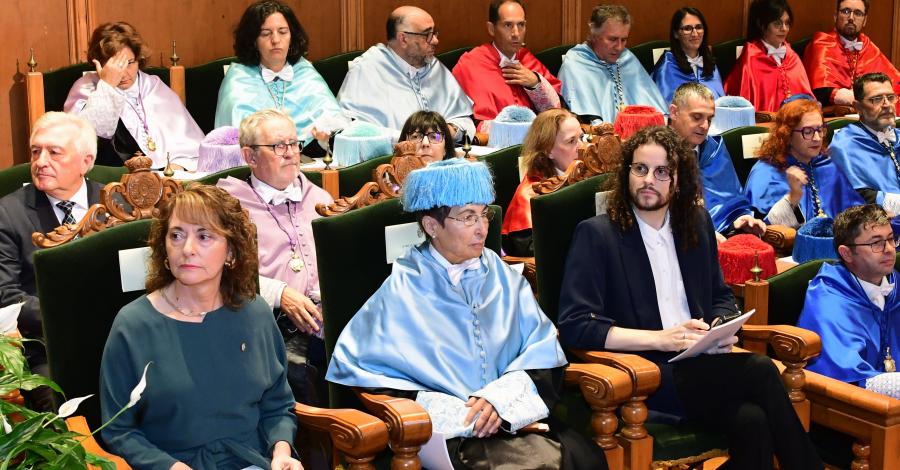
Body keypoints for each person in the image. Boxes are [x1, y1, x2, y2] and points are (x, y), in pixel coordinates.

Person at [558, 125, 823, 469]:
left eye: (662, 172)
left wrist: (718, 329)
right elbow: (576, 325)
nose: (648, 180)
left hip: (698, 362)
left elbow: (720, 295)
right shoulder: (597, 235)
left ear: (678, 180)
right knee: (759, 368)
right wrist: (662, 339)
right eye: (640, 169)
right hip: (642, 372)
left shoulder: (695, 223)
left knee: (753, 420)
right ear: (626, 174)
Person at [326, 158, 608, 469]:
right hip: (453, 433)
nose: (482, 228)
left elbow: (541, 352)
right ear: (432, 226)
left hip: (514, 416)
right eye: (468, 217)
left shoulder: (503, 276)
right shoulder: (404, 288)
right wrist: (469, 413)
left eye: (484, 214)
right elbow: (371, 374)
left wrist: (500, 402)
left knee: (585, 456)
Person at [99, 185, 302, 470]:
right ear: (164, 249)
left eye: (204, 236)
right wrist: (168, 466)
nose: (187, 249)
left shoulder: (255, 312)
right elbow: (118, 430)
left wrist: (281, 451)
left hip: (253, 461)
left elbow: (277, 404)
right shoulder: (133, 325)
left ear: (231, 251)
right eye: (176, 235)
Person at [216, 109, 333, 407]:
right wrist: (280, 293)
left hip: (330, 321)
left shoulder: (321, 198)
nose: (291, 153)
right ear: (250, 156)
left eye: (294, 143)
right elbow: (219, 272)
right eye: (279, 146)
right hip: (268, 327)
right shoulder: (228, 206)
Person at [0, 112, 99, 410]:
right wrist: (70, 317)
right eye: (35, 151)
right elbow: (6, 294)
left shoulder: (116, 201)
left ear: (86, 161)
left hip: (118, 334)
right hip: (47, 346)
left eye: (54, 152)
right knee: (61, 408)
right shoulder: (8, 213)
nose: (41, 161)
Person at [65, 22, 203, 170]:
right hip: (114, 174)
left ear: (138, 59)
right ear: (99, 63)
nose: (124, 74)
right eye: (115, 66)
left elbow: (188, 144)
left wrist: (179, 165)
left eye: (130, 63)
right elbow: (86, 141)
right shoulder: (85, 87)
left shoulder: (153, 85)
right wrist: (107, 86)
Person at [215, 0, 346, 154]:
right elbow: (237, 137)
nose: (276, 40)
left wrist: (326, 134)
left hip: (311, 158)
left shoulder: (305, 71)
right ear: (253, 41)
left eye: (283, 32)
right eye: (266, 33)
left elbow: (333, 119)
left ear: (292, 36)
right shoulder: (238, 78)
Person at [798, 204, 900, 398]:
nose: (889, 249)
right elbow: (848, 378)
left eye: (891, 239)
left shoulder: (895, 283)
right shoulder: (828, 298)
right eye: (876, 243)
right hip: (846, 404)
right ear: (846, 253)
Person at [337, 6, 475, 143]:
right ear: (403, 39)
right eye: (427, 35)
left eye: (435, 33)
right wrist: (411, 140)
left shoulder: (434, 66)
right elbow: (353, 130)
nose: (435, 40)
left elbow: (463, 120)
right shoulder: (368, 69)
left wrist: (442, 135)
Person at [744, 99, 863, 227]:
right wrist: (792, 198)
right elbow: (766, 229)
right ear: (787, 135)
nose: (817, 138)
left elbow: (856, 213)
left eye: (820, 130)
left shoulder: (827, 166)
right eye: (808, 132)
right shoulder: (766, 172)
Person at [668, 83, 765, 240]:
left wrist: (739, 219)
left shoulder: (714, 148)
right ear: (674, 112)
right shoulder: (657, 153)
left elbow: (730, 201)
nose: (705, 126)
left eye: (710, 119)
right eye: (697, 117)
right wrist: (702, 233)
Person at [451, 0, 561, 131]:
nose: (516, 33)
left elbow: (556, 113)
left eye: (521, 25)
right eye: (508, 25)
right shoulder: (469, 65)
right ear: (491, 29)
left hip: (535, 139)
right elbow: (463, 122)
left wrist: (535, 83)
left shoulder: (528, 59)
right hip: (492, 140)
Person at [558, 4, 666, 124]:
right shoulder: (575, 65)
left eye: (624, 40)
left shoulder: (627, 58)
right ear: (594, 35)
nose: (619, 47)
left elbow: (658, 113)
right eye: (612, 39)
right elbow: (583, 121)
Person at [502, 109, 581, 256]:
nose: (582, 146)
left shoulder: (588, 172)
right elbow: (532, 251)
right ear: (548, 150)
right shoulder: (530, 194)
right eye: (572, 141)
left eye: (582, 137)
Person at [803, 0, 900, 106]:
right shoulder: (822, 43)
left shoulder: (867, 44)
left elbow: (895, 83)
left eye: (858, 13)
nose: (851, 18)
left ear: (864, 20)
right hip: (834, 112)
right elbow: (822, 91)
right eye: (846, 11)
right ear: (835, 16)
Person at [724, 0, 813, 113]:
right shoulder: (751, 58)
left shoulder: (792, 56)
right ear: (761, 25)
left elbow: (807, 98)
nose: (784, 29)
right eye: (777, 24)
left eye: (787, 23)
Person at [829, 73, 900, 213]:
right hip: (876, 220)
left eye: (891, 97)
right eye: (876, 99)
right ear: (858, 107)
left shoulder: (898, 135)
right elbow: (851, 196)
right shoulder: (844, 145)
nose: (887, 105)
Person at [651, 8, 725, 105]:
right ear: (676, 34)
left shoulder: (710, 63)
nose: (695, 34)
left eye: (699, 27)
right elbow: (668, 106)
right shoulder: (667, 66)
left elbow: (721, 101)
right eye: (687, 28)